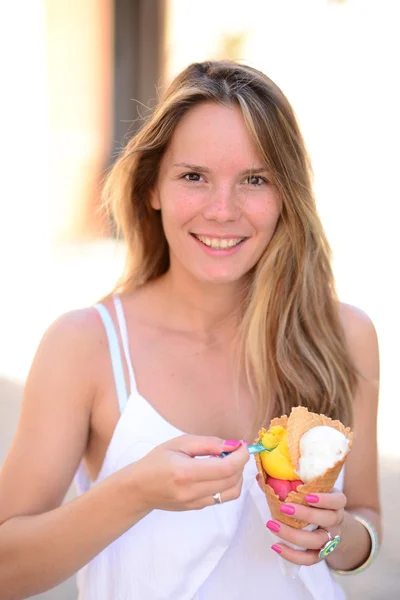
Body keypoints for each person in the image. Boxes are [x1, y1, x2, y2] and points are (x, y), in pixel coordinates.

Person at [0, 61, 381, 600]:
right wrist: (134, 492)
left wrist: (335, 537)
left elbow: (365, 524)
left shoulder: (344, 335)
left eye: (255, 180)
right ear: (152, 186)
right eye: (194, 176)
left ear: (285, 197)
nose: (222, 210)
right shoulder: (85, 346)